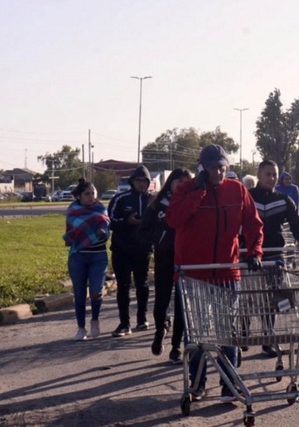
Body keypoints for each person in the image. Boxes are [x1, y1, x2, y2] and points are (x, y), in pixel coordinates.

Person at [167, 144, 264, 403]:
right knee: (197, 333)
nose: (219, 173)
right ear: (202, 168)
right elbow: (173, 219)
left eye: (223, 167)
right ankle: (197, 384)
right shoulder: (187, 189)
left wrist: (254, 251)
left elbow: (253, 223)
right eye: (213, 168)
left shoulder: (237, 189)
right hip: (193, 274)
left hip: (227, 271)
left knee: (226, 331)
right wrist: (197, 192)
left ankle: (229, 383)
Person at [248, 160, 299, 357]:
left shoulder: (283, 200)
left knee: (272, 297)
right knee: (248, 297)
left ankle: (268, 337)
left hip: (275, 255)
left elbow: (296, 222)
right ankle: (242, 330)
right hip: (249, 256)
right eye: (267, 174)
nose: (271, 178)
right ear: (259, 174)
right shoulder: (247, 198)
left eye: (274, 174)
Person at [139, 168, 193, 363]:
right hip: (164, 257)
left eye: (186, 181)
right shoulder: (157, 203)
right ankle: (159, 331)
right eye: (178, 180)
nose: (182, 184)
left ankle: (176, 346)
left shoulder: (193, 201)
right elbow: (143, 230)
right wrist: (158, 240)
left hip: (186, 260)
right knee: (162, 300)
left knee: (181, 304)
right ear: (171, 182)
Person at [107, 165, 154, 336]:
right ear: (132, 181)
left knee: (142, 285)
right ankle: (124, 323)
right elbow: (109, 221)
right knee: (123, 286)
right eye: (138, 180)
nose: (141, 184)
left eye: (144, 181)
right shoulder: (120, 198)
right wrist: (127, 221)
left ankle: (142, 319)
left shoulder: (153, 199)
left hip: (143, 250)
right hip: (122, 249)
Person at [63, 179, 110, 341]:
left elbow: (106, 226)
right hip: (78, 256)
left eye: (93, 193)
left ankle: (95, 320)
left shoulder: (101, 208)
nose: (91, 197)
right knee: (80, 293)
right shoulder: (72, 211)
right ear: (79, 196)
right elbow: (71, 232)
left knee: (96, 291)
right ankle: (81, 328)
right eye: (87, 194)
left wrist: (104, 231)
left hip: (98, 255)